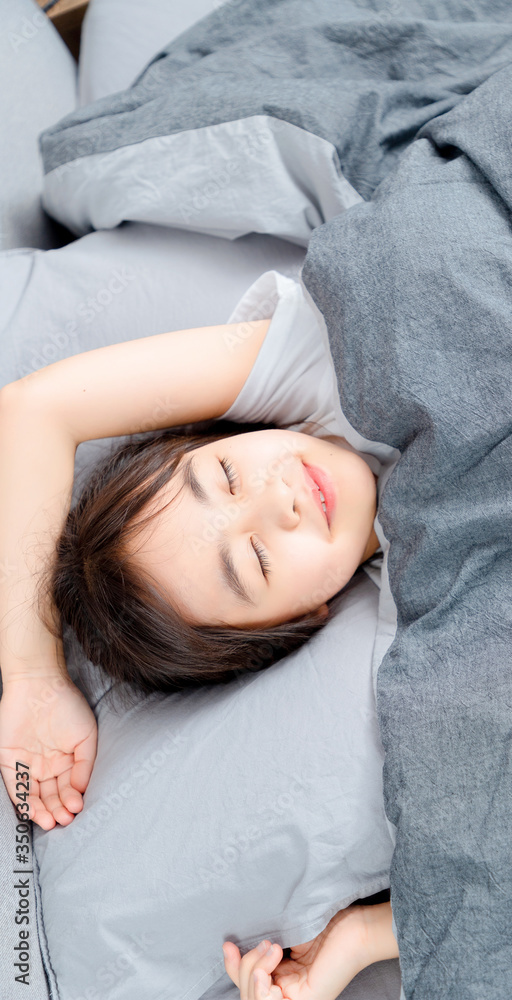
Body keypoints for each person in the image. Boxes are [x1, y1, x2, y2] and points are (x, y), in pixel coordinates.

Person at [0, 306, 397, 1000]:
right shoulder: (434, 614)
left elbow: (35, 409)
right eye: (257, 559)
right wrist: (358, 940)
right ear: (302, 622)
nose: (284, 498)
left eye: (225, 475)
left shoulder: (311, 376)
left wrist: (32, 676)